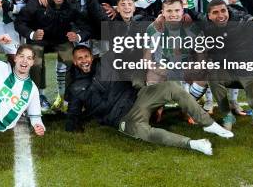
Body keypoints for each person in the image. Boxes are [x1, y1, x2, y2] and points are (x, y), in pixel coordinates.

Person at [65, 45, 233, 156]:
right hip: (122, 118)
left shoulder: (107, 63)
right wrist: (72, 128)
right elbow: (73, 112)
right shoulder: (75, 87)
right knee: (146, 133)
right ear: (74, 61)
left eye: (86, 56)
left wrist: (138, 83)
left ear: (91, 57)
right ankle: (194, 144)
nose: (84, 61)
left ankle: (209, 125)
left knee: (171, 87)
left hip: (138, 99)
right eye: (79, 58)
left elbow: (134, 60)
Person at [16, 0, 91, 111]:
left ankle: (67, 98)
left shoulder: (72, 3)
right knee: (35, 63)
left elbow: (86, 26)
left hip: (61, 40)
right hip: (39, 39)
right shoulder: (37, 1)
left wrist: (78, 36)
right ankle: (38, 97)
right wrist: (32, 34)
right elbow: (20, 22)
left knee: (73, 62)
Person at [200, 0, 253, 130]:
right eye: (215, 12)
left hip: (252, 73)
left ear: (227, 10)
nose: (221, 15)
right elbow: (194, 15)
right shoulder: (208, 26)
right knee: (212, 73)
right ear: (209, 16)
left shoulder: (244, 22)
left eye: (223, 10)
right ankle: (227, 115)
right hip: (230, 73)